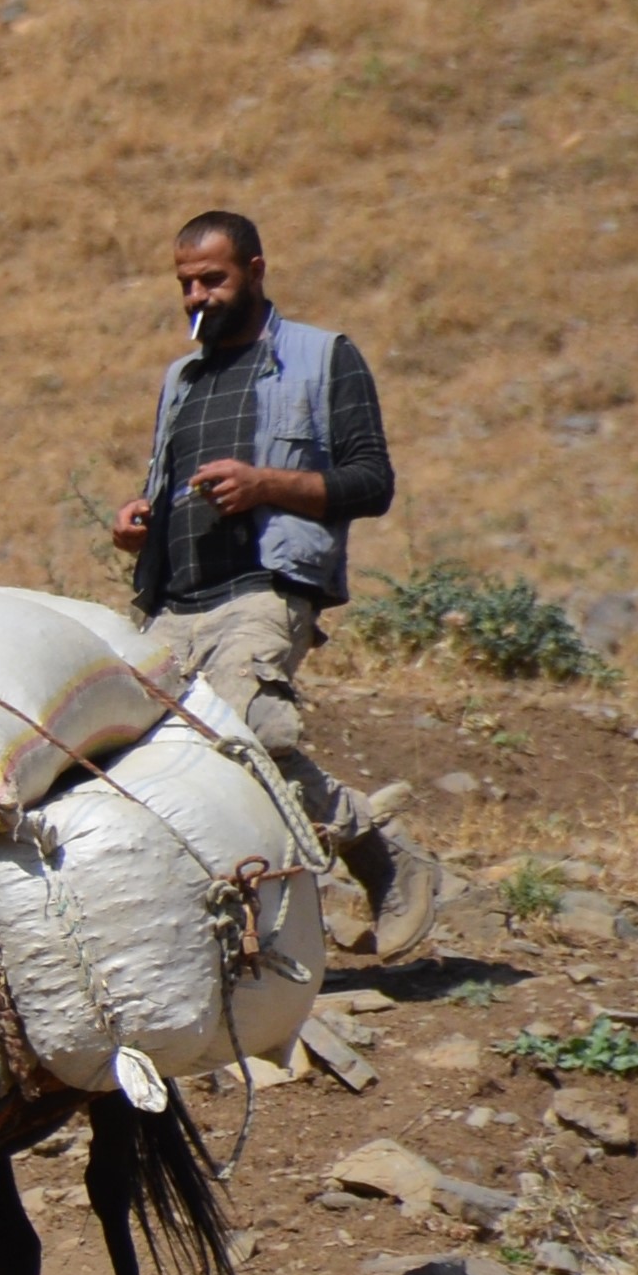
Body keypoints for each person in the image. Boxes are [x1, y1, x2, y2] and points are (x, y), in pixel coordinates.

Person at [111, 207, 445, 959]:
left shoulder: (325, 356)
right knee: (140, 757)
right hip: (174, 600)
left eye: (213, 279)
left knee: (248, 733)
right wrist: (140, 517)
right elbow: (167, 485)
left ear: (255, 272)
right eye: (185, 283)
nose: (197, 296)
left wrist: (265, 484)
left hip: (264, 586)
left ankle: (378, 852)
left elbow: (371, 483)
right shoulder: (182, 378)